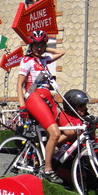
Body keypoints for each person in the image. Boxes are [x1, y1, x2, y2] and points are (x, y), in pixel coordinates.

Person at [16, 30, 65, 184]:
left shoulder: (43, 60)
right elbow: (19, 85)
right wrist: (22, 105)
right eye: (35, 45)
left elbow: (61, 51)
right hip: (34, 97)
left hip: (48, 97)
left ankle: (47, 156)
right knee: (55, 133)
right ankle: (48, 169)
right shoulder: (27, 60)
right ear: (31, 46)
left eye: (41, 45)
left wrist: (45, 48)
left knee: (68, 130)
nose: (38, 48)